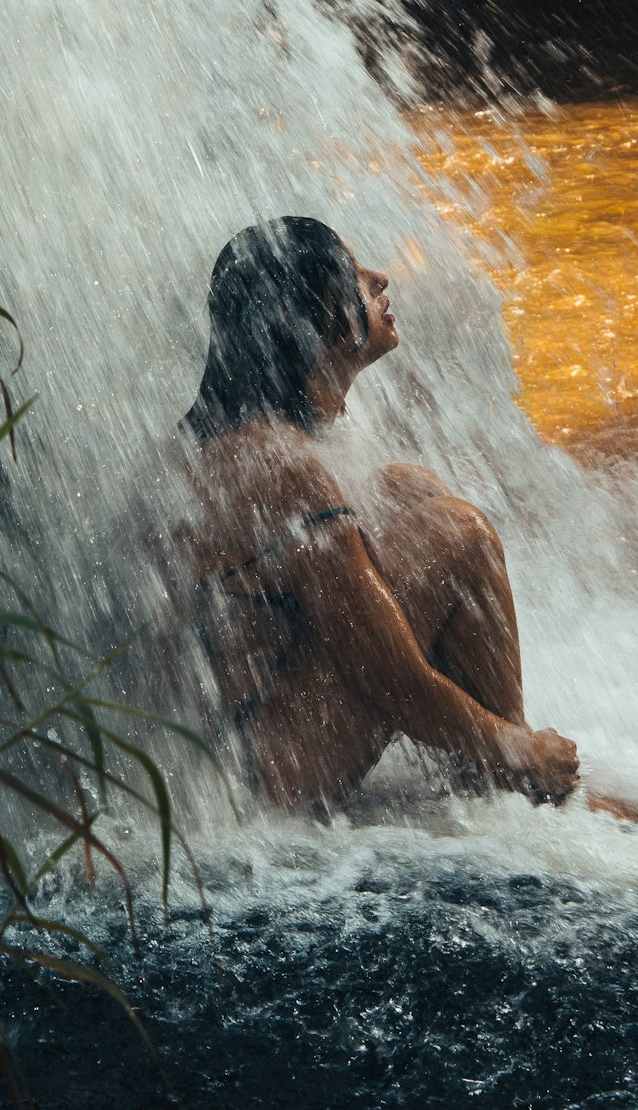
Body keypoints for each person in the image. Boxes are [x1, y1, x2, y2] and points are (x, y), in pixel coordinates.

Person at [177, 216, 581, 813]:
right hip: (263, 785)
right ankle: (522, 781)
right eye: (356, 275)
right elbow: (388, 672)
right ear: (320, 312)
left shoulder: (245, 441)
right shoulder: (281, 467)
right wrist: (518, 747)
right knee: (460, 533)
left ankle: (499, 775)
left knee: (406, 491)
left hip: (234, 757)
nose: (380, 278)